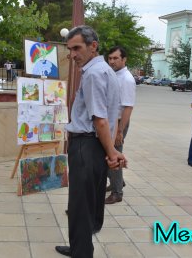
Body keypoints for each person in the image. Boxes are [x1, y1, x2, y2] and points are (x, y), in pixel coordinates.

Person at [55, 26, 127, 258]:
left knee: (80, 204)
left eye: (77, 48)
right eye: (70, 50)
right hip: (92, 146)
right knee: (88, 201)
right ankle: (80, 246)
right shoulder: (104, 71)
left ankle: (81, 252)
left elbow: (100, 120)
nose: (73, 54)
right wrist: (111, 150)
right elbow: (109, 115)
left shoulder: (94, 74)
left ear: (93, 46)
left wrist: (112, 152)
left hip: (86, 145)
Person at [104, 46, 135, 205]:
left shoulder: (127, 79)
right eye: (110, 58)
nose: (112, 61)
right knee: (108, 154)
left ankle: (117, 193)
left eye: (116, 58)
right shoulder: (114, 75)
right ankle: (118, 182)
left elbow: (128, 107)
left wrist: (119, 131)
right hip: (111, 122)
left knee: (113, 155)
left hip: (118, 124)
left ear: (124, 59)